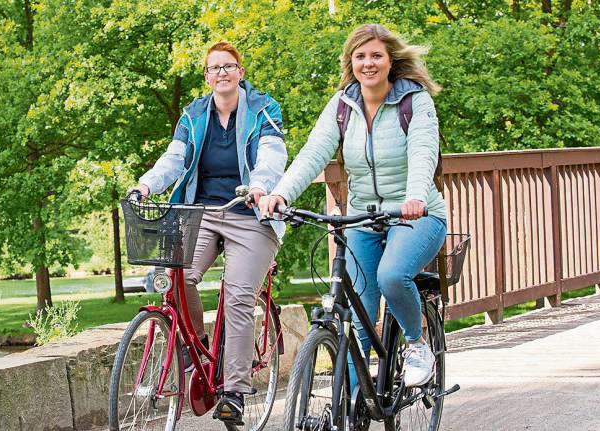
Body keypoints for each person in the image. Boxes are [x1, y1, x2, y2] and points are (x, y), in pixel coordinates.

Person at [259, 24, 447, 390]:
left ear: (391, 60)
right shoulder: (343, 104)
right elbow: (313, 154)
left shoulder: (415, 101)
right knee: (356, 314)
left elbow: (423, 152)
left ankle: (415, 343)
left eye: (376, 55)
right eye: (360, 56)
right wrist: (280, 194)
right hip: (363, 216)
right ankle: (350, 409)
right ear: (351, 62)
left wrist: (415, 197)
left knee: (392, 276)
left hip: (417, 214)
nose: (368, 63)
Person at [132, 41, 287, 424]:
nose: (222, 73)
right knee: (174, 278)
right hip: (199, 213)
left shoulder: (263, 109)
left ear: (240, 73)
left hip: (249, 214)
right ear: (206, 76)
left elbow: (272, 154)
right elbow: (174, 158)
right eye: (214, 68)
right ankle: (197, 347)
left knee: (236, 297)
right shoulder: (194, 113)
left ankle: (233, 390)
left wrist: (261, 186)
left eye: (229, 66)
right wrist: (146, 186)